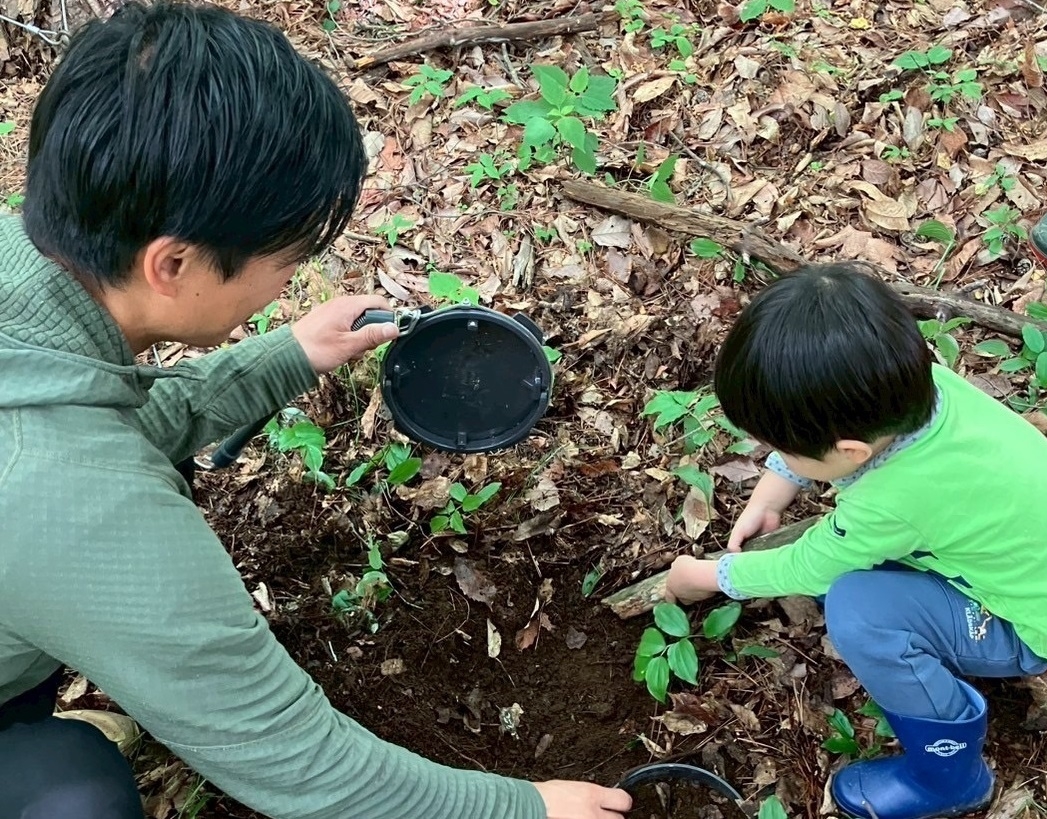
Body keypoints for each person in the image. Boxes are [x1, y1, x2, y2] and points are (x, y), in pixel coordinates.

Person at [0, 4, 633, 818]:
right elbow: (299, 764)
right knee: (72, 790)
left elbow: (92, 423)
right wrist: (526, 807)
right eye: (288, 260)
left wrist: (285, 354)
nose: (289, 283)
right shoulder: (78, 508)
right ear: (175, 262)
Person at [664, 264, 1047, 819]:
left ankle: (947, 774)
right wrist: (773, 494)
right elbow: (833, 447)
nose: (772, 455)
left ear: (851, 451)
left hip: (1035, 626)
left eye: (781, 446)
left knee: (858, 607)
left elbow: (810, 566)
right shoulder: (923, 390)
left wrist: (707, 576)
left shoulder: (894, 499)